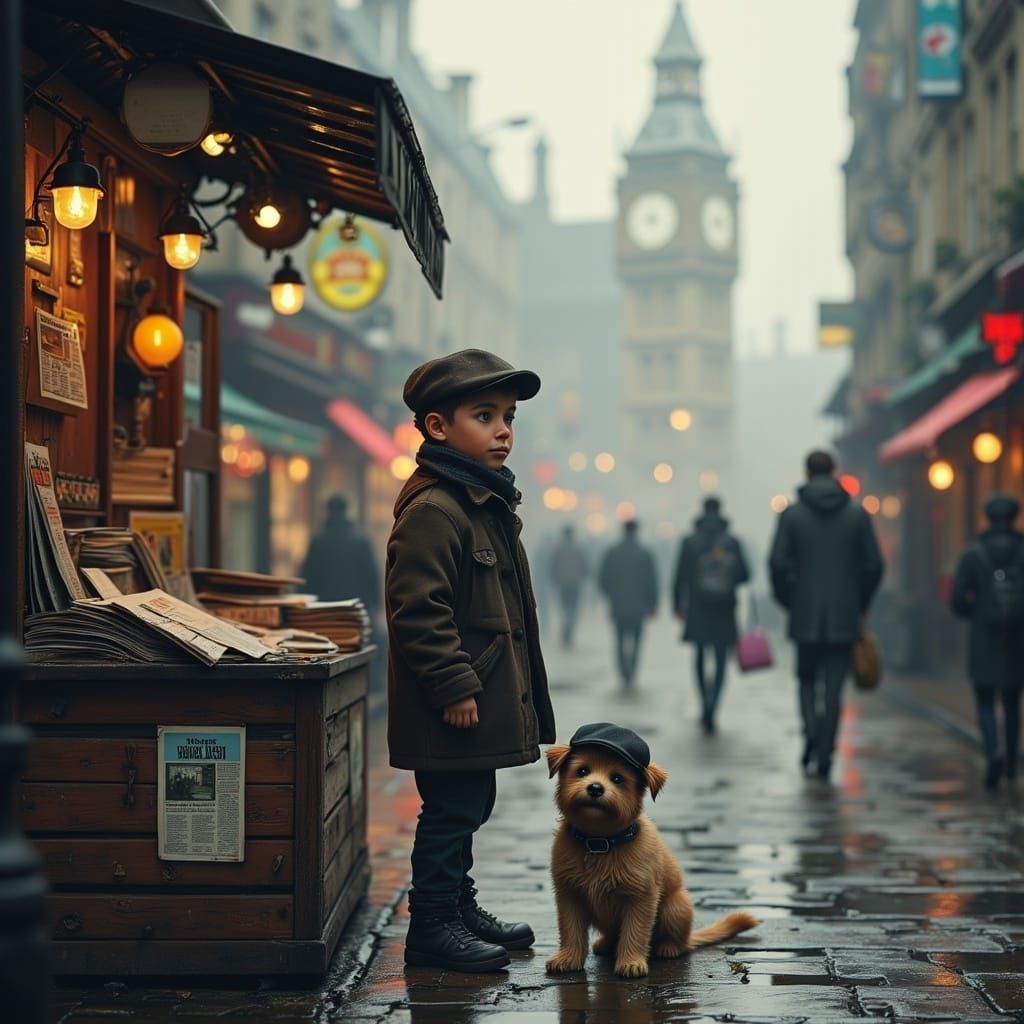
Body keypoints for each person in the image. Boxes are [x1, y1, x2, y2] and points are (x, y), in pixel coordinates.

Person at [386, 348, 556, 973]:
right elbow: (417, 610)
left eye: (508, 416)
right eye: (485, 416)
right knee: (452, 809)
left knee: (468, 803)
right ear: (438, 427)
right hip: (454, 700)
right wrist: (454, 685)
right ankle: (433, 924)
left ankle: (457, 905)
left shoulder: (477, 501)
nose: (504, 430)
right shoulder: (436, 509)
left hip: (476, 694)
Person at [768, 450, 883, 780]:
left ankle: (812, 735)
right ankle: (826, 752)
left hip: (804, 613)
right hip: (844, 615)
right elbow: (874, 564)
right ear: (834, 472)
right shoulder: (857, 515)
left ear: (806, 473)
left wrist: (789, 598)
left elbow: (777, 564)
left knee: (805, 681)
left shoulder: (791, 516)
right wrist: (860, 601)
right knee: (834, 689)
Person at [950, 493, 1024, 790]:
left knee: (984, 699)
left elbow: (958, 599)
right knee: (1012, 700)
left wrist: (975, 612)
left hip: (984, 635)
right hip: (1019, 635)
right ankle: (1010, 763)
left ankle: (992, 749)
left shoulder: (973, 553)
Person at [673, 497, 750, 734]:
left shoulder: (690, 542)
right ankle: (713, 704)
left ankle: (703, 701)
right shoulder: (732, 542)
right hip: (724, 608)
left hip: (698, 607)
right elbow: (745, 575)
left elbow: (680, 576)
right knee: (720, 659)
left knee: (698, 655)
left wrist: (678, 605)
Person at [598, 519, 658, 691]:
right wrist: (653, 603)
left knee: (619, 640)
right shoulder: (645, 553)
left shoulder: (613, 552)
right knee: (637, 641)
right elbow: (651, 580)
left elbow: (603, 578)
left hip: (618, 604)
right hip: (639, 607)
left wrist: (611, 595)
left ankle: (623, 671)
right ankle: (632, 670)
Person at [300, 495, 379, 612]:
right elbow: (371, 575)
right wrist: (374, 602)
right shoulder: (360, 541)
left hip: (324, 605)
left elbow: (308, 575)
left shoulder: (318, 542)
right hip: (355, 604)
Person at [548, 524, 588, 649]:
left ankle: (566, 631)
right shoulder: (578, 549)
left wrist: (555, 580)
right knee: (573, 610)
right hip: (575, 584)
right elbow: (585, 566)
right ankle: (568, 632)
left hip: (562, 584)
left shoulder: (558, 550)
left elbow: (552, 568)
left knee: (564, 609)